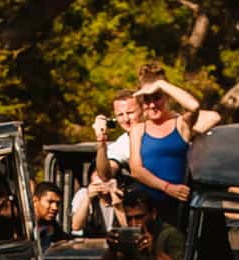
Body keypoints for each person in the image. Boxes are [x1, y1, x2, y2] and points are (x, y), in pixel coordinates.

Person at [128, 63, 220, 214]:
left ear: (166, 96)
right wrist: (167, 187)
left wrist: (161, 84)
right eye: (147, 99)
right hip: (150, 209)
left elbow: (194, 106)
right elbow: (136, 170)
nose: (152, 105)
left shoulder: (181, 124)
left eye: (157, 97)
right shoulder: (138, 130)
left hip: (179, 206)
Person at [93, 90, 141, 184]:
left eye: (130, 112)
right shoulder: (122, 144)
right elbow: (105, 176)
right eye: (120, 115)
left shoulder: (162, 129)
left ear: (143, 109)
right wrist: (101, 140)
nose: (126, 119)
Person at [71, 169, 122, 236]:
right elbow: (76, 227)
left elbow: (126, 227)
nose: (102, 184)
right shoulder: (83, 193)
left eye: (105, 180)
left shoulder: (120, 193)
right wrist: (88, 198)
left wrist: (116, 198)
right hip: (93, 243)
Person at [33, 181, 68, 250]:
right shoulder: (22, 226)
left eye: (57, 203)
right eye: (50, 202)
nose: (55, 207)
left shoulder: (53, 226)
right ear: (35, 201)